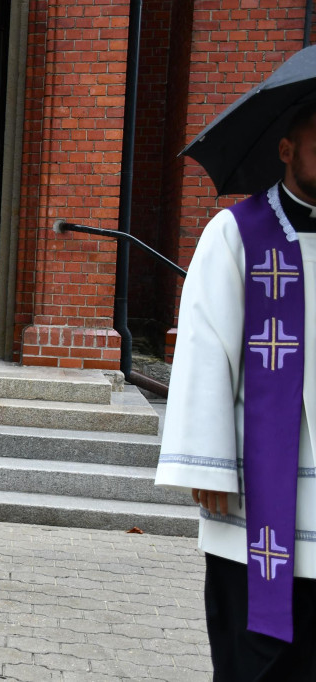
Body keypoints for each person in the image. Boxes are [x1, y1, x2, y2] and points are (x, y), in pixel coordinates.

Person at [155, 103, 316, 680]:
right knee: (252, 660)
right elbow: (204, 349)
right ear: (285, 149)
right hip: (255, 494)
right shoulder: (235, 234)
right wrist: (210, 463)